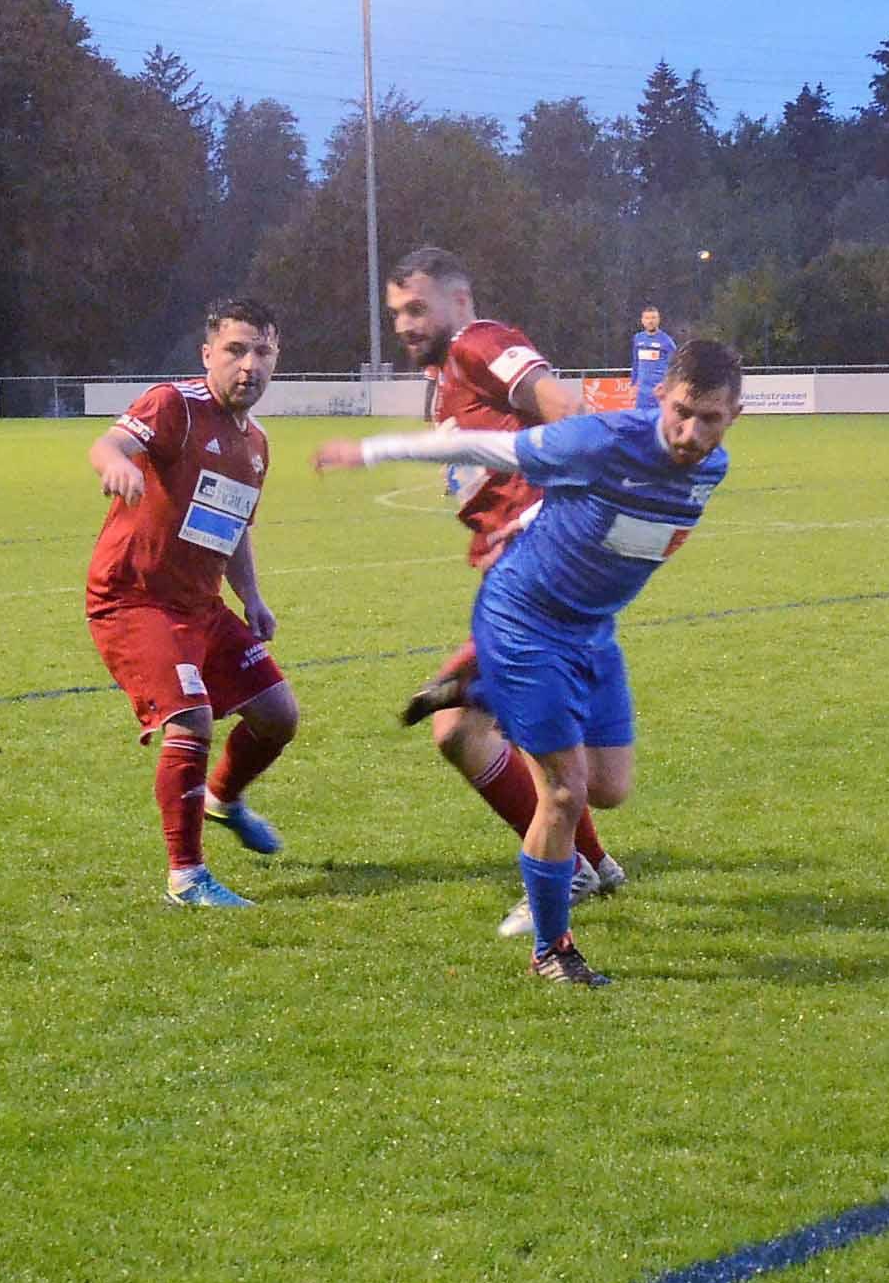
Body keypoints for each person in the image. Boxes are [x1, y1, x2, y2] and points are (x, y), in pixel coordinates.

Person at [314, 339, 741, 984]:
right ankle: (553, 952)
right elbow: (492, 450)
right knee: (564, 794)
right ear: (659, 396)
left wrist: (543, 518)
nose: (691, 431)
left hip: (592, 632)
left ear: (735, 414)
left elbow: (611, 519)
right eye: (682, 411)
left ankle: (482, 691)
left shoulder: (714, 468)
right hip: (524, 621)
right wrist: (371, 450)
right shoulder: (601, 440)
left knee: (609, 789)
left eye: (710, 418)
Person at [377, 246, 624, 936]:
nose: (404, 322)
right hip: (522, 574)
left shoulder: (483, 342)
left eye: (417, 307)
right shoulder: (447, 378)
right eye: (396, 311)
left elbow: (560, 404)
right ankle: (592, 862)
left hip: (540, 572)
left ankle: (568, 874)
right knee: (462, 730)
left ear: (460, 301)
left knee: (481, 728)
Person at [86, 297, 298, 908]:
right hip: (135, 600)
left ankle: (222, 799)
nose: (248, 365)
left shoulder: (256, 443)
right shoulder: (175, 405)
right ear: (208, 354)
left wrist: (252, 598)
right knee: (191, 720)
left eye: (262, 351)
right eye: (235, 350)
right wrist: (115, 466)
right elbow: (108, 444)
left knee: (278, 716)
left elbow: (231, 525)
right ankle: (187, 877)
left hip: (201, 606)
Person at [630, 305, 677, 417]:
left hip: (659, 392)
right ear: (642, 321)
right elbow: (636, 363)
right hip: (642, 394)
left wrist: (669, 385)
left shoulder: (666, 341)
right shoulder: (638, 338)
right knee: (641, 423)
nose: (650, 321)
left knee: (659, 424)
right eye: (647, 318)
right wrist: (633, 384)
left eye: (653, 318)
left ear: (658, 320)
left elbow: (675, 365)